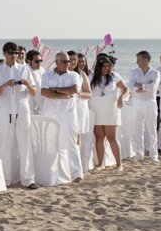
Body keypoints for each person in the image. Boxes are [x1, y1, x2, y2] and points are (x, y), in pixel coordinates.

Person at [0, 42, 39, 188]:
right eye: (11, 53)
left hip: (22, 109)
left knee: (25, 144)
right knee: (4, 145)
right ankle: (5, 179)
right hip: (5, 111)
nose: (14, 56)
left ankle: (28, 179)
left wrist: (28, 85)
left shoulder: (25, 69)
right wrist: (5, 85)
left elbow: (34, 92)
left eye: (16, 53)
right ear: (4, 54)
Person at [41, 51, 83, 182]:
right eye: (65, 61)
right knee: (51, 143)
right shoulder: (46, 75)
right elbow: (44, 92)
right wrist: (63, 94)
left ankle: (77, 173)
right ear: (57, 62)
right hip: (51, 114)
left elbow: (74, 90)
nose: (68, 64)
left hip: (68, 115)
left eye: (69, 61)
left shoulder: (74, 75)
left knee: (71, 143)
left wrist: (55, 89)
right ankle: (52, 172)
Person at [89, 53, 127, 172]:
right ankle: (101, 163)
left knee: (111, 137)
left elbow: (126, 89)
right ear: (98, 67)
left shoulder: (115, 76)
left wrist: (121, 97)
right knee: (99, 137)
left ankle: (119, 164)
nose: (106, 68)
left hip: (111, 109)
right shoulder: (91, 77)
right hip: (96, 109)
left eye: (108, 66)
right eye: (104, 66)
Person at [126, 51, 161, 163]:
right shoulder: (134, 72)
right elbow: (130, 87)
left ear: (146, 61)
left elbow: (154, 87)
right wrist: (144, 87)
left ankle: (154, 155)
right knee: (138, 129)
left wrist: (141, 86)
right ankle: (139, 154)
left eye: (139, 59)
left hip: (151, 103)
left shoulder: (155, 73)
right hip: (137, 103)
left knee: (152, 129)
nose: (137, 62)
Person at [26, 50, 46, 114]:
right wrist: (44, 108)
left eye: (40, 60)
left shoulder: (42, 70)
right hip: (30, 108)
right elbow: (37, 92)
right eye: (36, 61)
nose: (39, 63)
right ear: (29, 61)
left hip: (39, 107)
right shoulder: (26, 71)